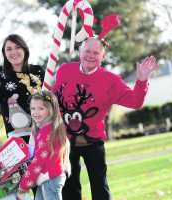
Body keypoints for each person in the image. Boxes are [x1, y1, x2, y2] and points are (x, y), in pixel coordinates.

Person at [52, 37, 159, 200]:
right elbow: (52, 99)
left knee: (100, 187)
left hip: (93, 143)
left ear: (102, 57)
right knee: (69, 188)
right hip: (65, 142)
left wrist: (142, 80)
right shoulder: (64, 70)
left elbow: (135, 101)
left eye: (96, 53)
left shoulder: (111, 80)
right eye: (87, 51)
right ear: (80, 52)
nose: (91, 55)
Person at [16, 90, 71, 200]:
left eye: (41, 108)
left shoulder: (47, 133)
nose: (35, 112)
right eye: (33, 108)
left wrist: (23, 186)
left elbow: (38, 162)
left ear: (51, 110)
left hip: (50, 179)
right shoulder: (48, 130)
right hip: (47, 177)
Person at [0, 34, 44, 143]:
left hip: (41, 131)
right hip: (15, 134)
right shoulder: (0, 73)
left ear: (25, 49)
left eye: (18, 47)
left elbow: (50, 100)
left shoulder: (37, 71)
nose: (13, 52)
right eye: (9, 49)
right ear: (4, 53)